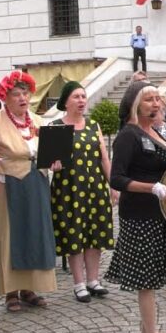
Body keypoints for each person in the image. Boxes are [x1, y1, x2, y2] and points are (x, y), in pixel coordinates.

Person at [106, 83, 166, 333]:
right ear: (135, 105)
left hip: (159, 212)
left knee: (152, 275)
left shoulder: (155, 131)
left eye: (157, 99)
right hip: (139, 214)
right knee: (147, 281)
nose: (156, 104)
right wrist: (151, 187)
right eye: (149, 100)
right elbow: (116, 178)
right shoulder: (128, 135)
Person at [0, 71, 58, 313]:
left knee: (34, 233)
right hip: (6, 184)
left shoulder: (38, 121)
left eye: (25, 93)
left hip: (36, 182)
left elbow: (49, 153)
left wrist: (55, 161)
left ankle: (29, 287)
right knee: (9, 235)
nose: (22, 98)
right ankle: (10, 291)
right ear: (5, 97)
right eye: (16, 94)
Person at [50, 81, 117, 303]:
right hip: (69, 189)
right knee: (74, 233)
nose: (81, 101)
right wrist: (53, 164)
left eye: (83, 96)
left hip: (95, 187)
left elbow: (104, 158)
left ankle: (93, 280)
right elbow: (50, 161)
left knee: (95, 232)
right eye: (76, 97)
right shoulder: (56, 126)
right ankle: (79, 283)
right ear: (66, 101)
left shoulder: (93, 125)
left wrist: (113, 184)